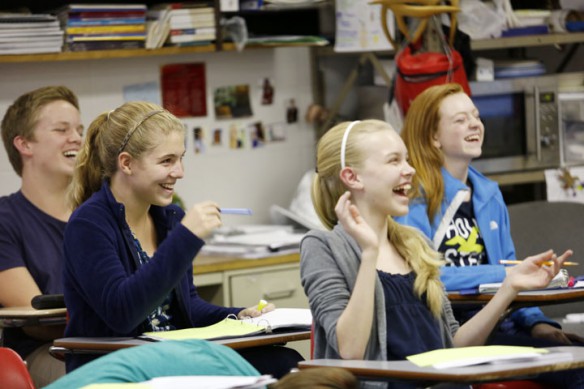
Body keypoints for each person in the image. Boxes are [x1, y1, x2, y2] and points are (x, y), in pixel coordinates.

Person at [300, 119, 576, 389]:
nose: (409, 170)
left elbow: (452, 345)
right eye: (394, 161)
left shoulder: (415, 244)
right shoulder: (322, 246)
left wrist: (509, 287)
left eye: (407, 159)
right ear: (352, 177)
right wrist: (370, 252)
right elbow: (351, 351)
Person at [62, 101, 303, 376]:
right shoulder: (88, 224)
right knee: (280, 367)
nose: (179, 172)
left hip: (171, 358)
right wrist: (185, 238)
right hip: (118, 366)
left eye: (180, 158)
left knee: (287, 363)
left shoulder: (169, 217)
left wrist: (238, 316)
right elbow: (122, 313)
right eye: (167, 161)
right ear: (126, 163)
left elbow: (188, 308)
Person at [394, 83, 584, 387]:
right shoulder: (413, 198)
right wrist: (507, 274)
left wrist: (537, 323)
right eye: (460, 120)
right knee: (573, 369)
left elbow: (511, 269)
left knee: (575, 352)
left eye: (476, 116)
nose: (474, 124)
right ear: (433, 136)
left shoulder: (488, 194)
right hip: (447, 331)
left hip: (500, 320)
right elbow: (421, 276)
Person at [0, 85, 83, 387]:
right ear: (24, 144)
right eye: (62, 129)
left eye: (79, 129)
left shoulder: (99, 212)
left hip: (111, 339)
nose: (76, 138)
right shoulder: (4, 220)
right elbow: (37, 321)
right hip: (47, 352)